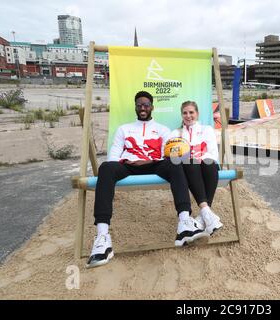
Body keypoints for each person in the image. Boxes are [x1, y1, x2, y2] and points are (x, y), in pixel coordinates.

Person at [87, 91, 209, 268]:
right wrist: (127, 161)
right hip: (128, 165)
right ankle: (102, 237)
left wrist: (151, 160)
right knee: (106, 168)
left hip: (155, 164)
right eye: (139, 105)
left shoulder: (162, 130)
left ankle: (184, 222)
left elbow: (169, 153)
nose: (142, 108)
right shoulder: (124, 129)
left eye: (146, 105)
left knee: (175, 163)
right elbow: (113, 156)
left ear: (152, 107)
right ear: (136, 107)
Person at [169, 101, 223, 235]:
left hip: (206, 166)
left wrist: (199, 159)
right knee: (190, 162)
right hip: (188, 168)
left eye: (191, 112)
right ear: (181, 115)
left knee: (210, 163)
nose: (188, 116)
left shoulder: (207, 129)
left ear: (197, 114)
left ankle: (203, 217)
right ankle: (208, 215)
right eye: (185, 113)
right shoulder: (176, 133)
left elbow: (213, 154)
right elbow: (171, 155)